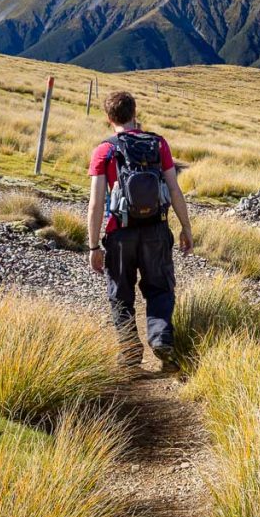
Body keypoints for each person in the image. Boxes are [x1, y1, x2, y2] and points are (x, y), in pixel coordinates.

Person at [87, 90, 193, 374]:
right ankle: (161, 340)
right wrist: (185, 227)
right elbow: (173, 189)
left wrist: (94, 245)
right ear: (135, 113)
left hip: (119, 233)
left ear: (109, 118)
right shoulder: (158, 144)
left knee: (120, 294)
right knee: (159, 288)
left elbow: (97, 202)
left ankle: (131, 354)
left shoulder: (105, 150)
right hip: (157, 229)